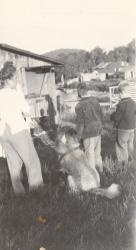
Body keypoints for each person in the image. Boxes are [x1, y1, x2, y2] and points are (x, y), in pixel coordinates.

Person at [0, 61, 43, 194]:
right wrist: (28, 102)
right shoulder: (15, 93)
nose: (17, 81)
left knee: (13, 165)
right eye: (16, 78)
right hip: (18, 129)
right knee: (32, 161)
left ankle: (20, 195)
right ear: (9, 79)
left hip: (3, 132)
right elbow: (26, 111)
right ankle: (36, 193)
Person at [75, 82, 103, 172]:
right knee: (97, 153)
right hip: (98, 130)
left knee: (89, 154)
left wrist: (78, 136)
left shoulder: (79, 105)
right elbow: (100, 115)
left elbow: (80, 123)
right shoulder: (95, 101)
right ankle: (100, 171)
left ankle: (92, 174)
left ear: (78, 93)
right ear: (87, 91)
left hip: (88, 133)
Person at [111, 81, 136, 164]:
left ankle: (123, 163)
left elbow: (117, 117)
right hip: (132, 127)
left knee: (121, 145)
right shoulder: (133, 102)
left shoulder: (121, 104)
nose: (119, 96)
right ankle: (132, 160)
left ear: (123, 93)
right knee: (130, 144)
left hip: (123, 129)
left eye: (119, 94)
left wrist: (112, 116)